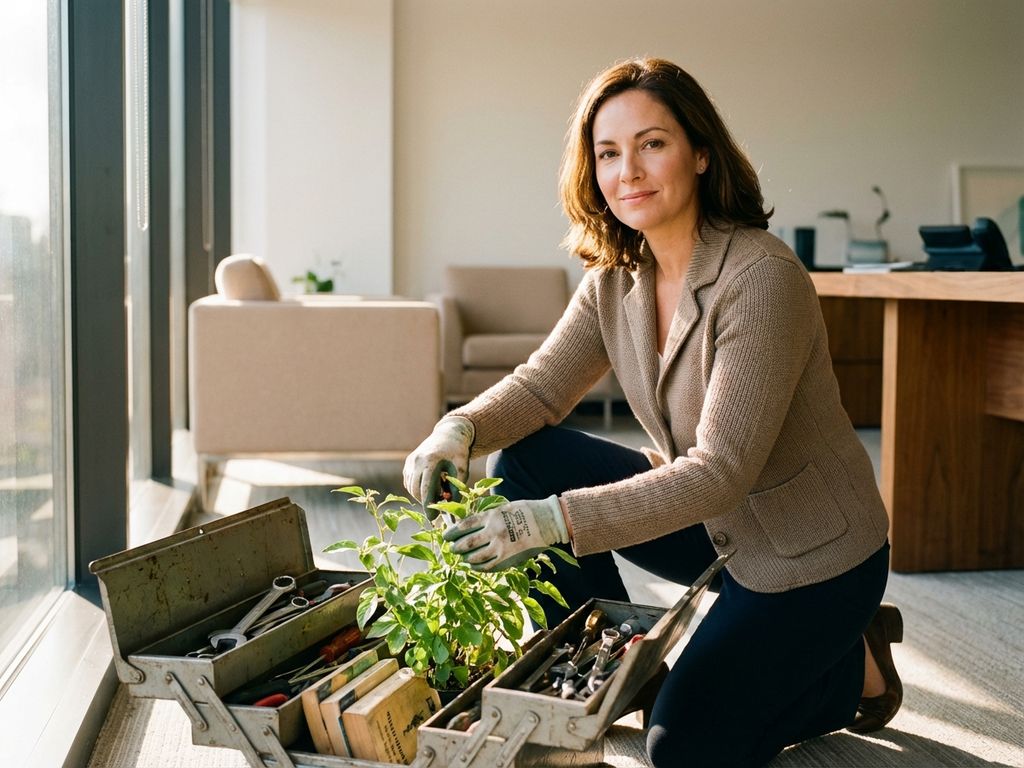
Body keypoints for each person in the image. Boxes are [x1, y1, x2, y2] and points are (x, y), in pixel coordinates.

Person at [403, 57, 903, 768]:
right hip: (715, 525)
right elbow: (544, 386)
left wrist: (551, 521)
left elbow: (721, 471)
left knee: (684, 748)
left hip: (810, 554)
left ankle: (853, 666)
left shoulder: (760, 277)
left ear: (701, 153)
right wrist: (456, 430)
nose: (627, 170)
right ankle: (616, 671)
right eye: (608, 153)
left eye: (652, 144)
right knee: (522, 460)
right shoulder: (616, 273)